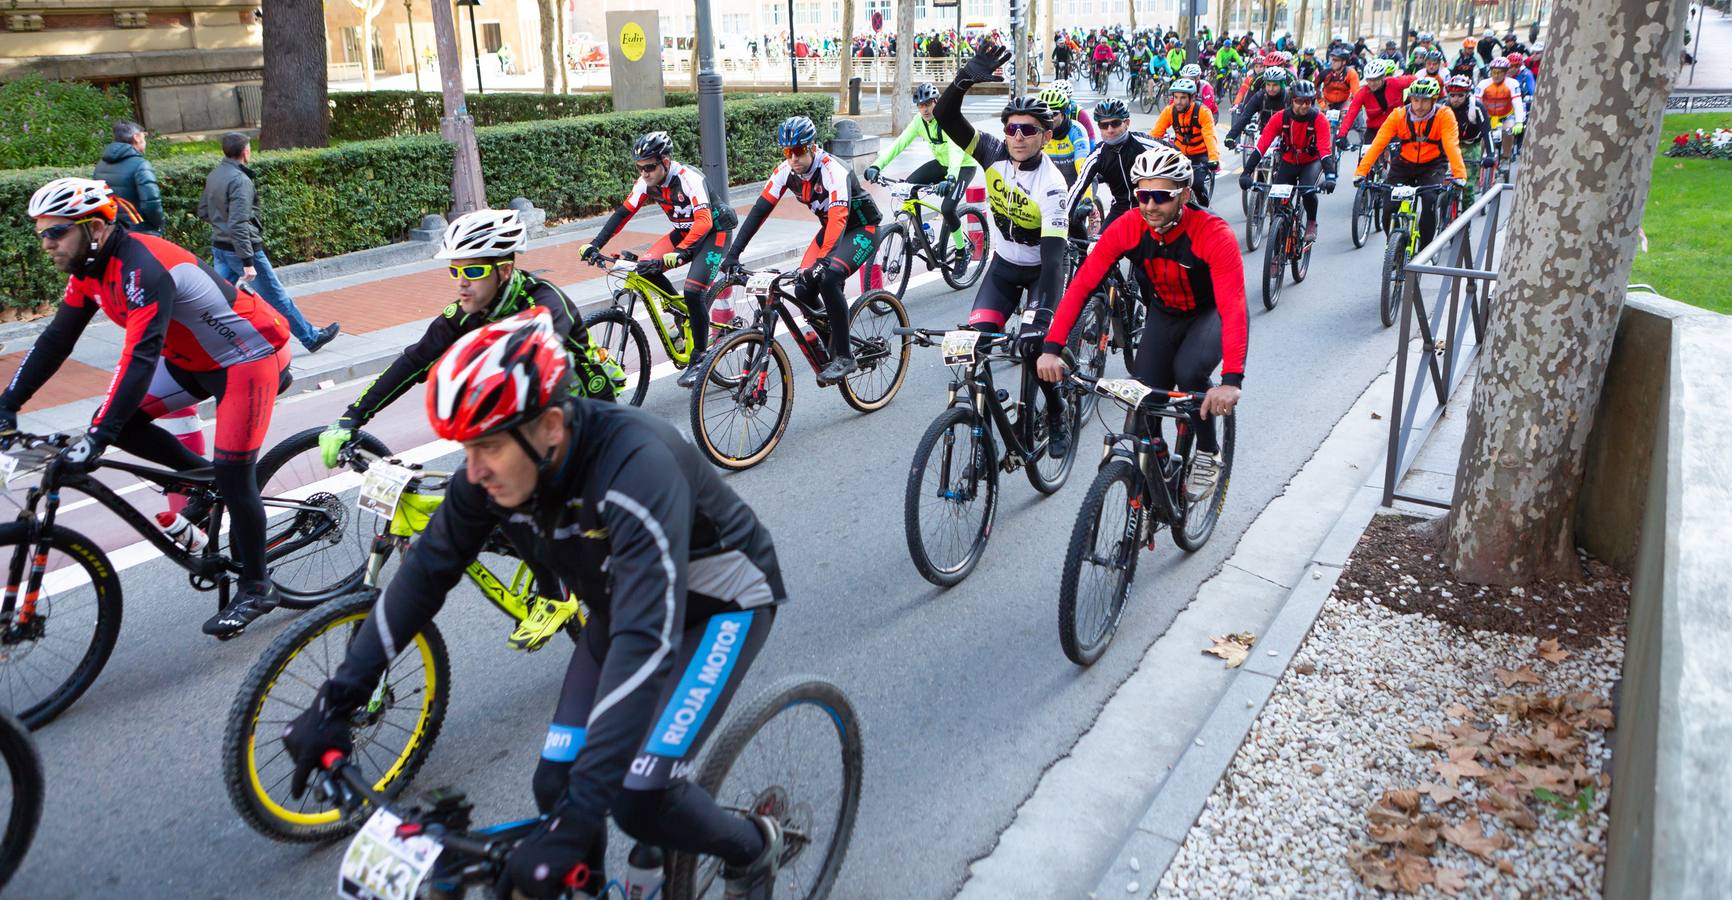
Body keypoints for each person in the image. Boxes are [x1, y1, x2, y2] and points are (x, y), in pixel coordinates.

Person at [281, 309, 790, 900]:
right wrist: (337, 701)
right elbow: (424, 576)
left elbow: (647, 640)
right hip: (621, 605)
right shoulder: (495, 472)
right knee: (555, 786)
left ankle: (754, 848)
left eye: (489, 446)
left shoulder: (636, 465)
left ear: (550, 425)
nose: (473, 471)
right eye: (466, 447)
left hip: (722, 604)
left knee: (638, 796)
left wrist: (576, 824)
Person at [2, 178, 294, 639]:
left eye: (54, 232)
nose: (46, 244)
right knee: (125, 427)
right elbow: (56, 340)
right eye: (41, 232)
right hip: (190, 360)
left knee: (235, 475)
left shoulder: (142, 266)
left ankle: (258, 587)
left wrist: (95, 434)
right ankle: (206, 481)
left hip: (248, 357)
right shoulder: (89, 272)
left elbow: (138, 356)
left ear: (94, 228)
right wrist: (8, 404)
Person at [1037, 146, 1245, 501]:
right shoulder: (1131, 226)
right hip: (1164, 313)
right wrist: (1052, 348)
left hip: (1208, 314)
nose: (1149, 205)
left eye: (1161, 196)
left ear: (1184, 195)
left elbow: (1234, 305)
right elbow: (1083, 286)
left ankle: (1209, 452)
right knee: (1143, 398)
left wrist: (1231, 380)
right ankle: (1160, 463)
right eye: (1143, 194)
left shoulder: (1212, 233)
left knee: (1190, 373)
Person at [936, 41, 1073, 459]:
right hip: (1002, 268)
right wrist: (963, 80)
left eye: (1028, 130)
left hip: (1040, 275)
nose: (1016, 136)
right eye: (1011, 128)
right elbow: (945, 117)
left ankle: (1055, 410)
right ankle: (986, 415)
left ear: (1045, 137)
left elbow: (1053, 259)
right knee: (973, 346)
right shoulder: (993, 153)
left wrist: (1043, 318)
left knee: (1034, 348)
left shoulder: (1052, 185)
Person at [721, 116, 880, 385]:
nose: (793, 158)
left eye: (798, 151)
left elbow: (840, 217)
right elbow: (759, 211)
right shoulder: (785, 171)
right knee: (802, 288)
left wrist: (823, 261)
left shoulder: (833, 170)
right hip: (831, 230)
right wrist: (734, 253)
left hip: (860, 229)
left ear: (813, 147)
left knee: (828, 278)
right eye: (787, 152)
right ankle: (832, 333)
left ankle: (844, 355)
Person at [579, 131, 732, 388]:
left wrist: (682, 252)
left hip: (713, 234)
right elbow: (622, 215)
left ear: (665, 161)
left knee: (694, 291)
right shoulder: (645, 183)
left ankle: (699, 359)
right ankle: (681, 314)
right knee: (645, 267)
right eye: (640, 168)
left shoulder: (688, 178)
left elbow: (704, 221)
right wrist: (595, 244)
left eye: (650, 167)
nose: (645, 173)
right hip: (683, 232)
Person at [199, 133, 340, 354]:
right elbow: (238, 223)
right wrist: (247, 260)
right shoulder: (240, 180)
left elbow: (204, 211)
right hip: (243, 250)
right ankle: (311, 337)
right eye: (249, 149)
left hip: (221, 247)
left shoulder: (215, 175)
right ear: (245, 152)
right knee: (275, 296)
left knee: (220, 302)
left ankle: (209, 347)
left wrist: (222, 228)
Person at [865, 83, 976, 272]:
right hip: (942, 164)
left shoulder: (948, 119)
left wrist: (950, 179)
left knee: (948, 208)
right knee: (908, 187)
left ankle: (961, 251)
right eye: (920, 105)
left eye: (928, 104)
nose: (924, 109)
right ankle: (922, 232)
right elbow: (899, 144)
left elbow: (955, 150)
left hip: (963, 166)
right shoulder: (919, 121)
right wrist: (877, 164)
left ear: (936, 102)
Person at [1354, 78, 1467, 246]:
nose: (1419, 106)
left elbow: (1451, 144)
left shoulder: (1444, 115)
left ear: (1434, 100)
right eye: (1415, 100)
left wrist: (1459, 174)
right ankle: (1396, 247)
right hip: (1403, 164)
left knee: (1429, 201)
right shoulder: (1399, 115)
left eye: (1424, 101)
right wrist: (1361, 172)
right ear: (1410, 99)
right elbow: (1379, 143)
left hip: (1432, 165)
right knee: (1389, 208)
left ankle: (1424, 252)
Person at [1241, 81, 1336, 240]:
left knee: (1307, 192)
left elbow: (1325, 151)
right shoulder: (1280, 118)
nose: (1304, 106)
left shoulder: (1319, 120)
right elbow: (1261, 147)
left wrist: (1331, 176)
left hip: (1310, 162)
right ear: (1291, 100)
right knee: (1277, 200)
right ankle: (1279, 238)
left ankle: (1312, 221)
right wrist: (1246, 172)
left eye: (1308, 101)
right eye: (1299, 101)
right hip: (1289, 161)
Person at [1072, 98, 1167, 228]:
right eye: (1104, 125)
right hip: (1119, 210)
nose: (1109, 130)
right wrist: (1063, 221)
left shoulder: (1146, 144)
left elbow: (1180, 162)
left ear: (1126, 122)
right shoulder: (1097, 155)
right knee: (1097, 247)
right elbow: (1078, 187)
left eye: (1115, 123)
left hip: (1151, 206)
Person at [1148, 80, 1222, 207]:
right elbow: (1155, 134)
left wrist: (1214, 158)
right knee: (1166, 180)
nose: (1178, 101)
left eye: (1182, 98)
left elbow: (1210, 136)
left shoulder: (1203, 112)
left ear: (1192, 98)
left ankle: (1204, 209)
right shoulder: (1169, 111)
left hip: (1200, 154)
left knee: (1197, 184)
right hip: (1180, 152)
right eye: (1175, 97)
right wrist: (1146, 153)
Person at [93, 121, 164, 235]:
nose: (145, 142)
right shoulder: (141, 165)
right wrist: (158, 226)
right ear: (136, 138)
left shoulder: (100, 165)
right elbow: (151, 205)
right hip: (140, 232)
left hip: (112, 232)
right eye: (144, 137)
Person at [1443, 75, 1499, 206]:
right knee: (1443, 183)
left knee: (1467, 186)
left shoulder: (1477, 107)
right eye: (1452, 95)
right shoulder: (1443, 107)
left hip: (1471, 145)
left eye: (1460, 95)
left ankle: (1466, 223)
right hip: (1450, 145)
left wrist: (1490, 155)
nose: (1455, 99)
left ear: (1467, 94)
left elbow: (1486, 132)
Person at [1335, 58, 1415, 149]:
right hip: (1374, 130)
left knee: (1400, 158)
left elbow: (1417, 80)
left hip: (1396, 128)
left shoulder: (1395, 83)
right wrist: (1342, 135)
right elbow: (1351, 114)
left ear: (1383, 77)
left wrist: (1410, 100)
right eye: (1369, 80)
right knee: (1364, 158)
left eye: (1376, 79)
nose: (1372, 83)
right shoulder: (1363, 93)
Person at [1038, 84, 1094, 186]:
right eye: (1045, 114)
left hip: (1079, 181)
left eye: (1054, 114)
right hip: (1054, 184)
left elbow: (1083, 168)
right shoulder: (1039, 132)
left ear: (1064, 113)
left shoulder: (1076, 130)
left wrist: (1086, 199)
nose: (1048, 119)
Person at [1225, 66, 1291, 149]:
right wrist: (1230, 136)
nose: (1270, 89)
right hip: (1264, 134)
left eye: (1275, 85)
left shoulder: (1289, 97)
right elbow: (1245, 117)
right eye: (1268, 84)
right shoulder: (1260, 96)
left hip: (1285, 136)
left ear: (1282, 84)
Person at [1476, 57, 1527, 159]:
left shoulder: (1512, 83)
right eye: (1494, 72)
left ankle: (1506, 157)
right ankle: (1479, 162)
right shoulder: (1483, 84)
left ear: (1506, 72)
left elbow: (1517, 103)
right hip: (1488, 116)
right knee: (1483, 137)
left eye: (1499, 72)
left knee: (1508, 131)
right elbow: (1476, 103)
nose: (1496, 75)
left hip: (1506, 116)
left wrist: (1519, 122)